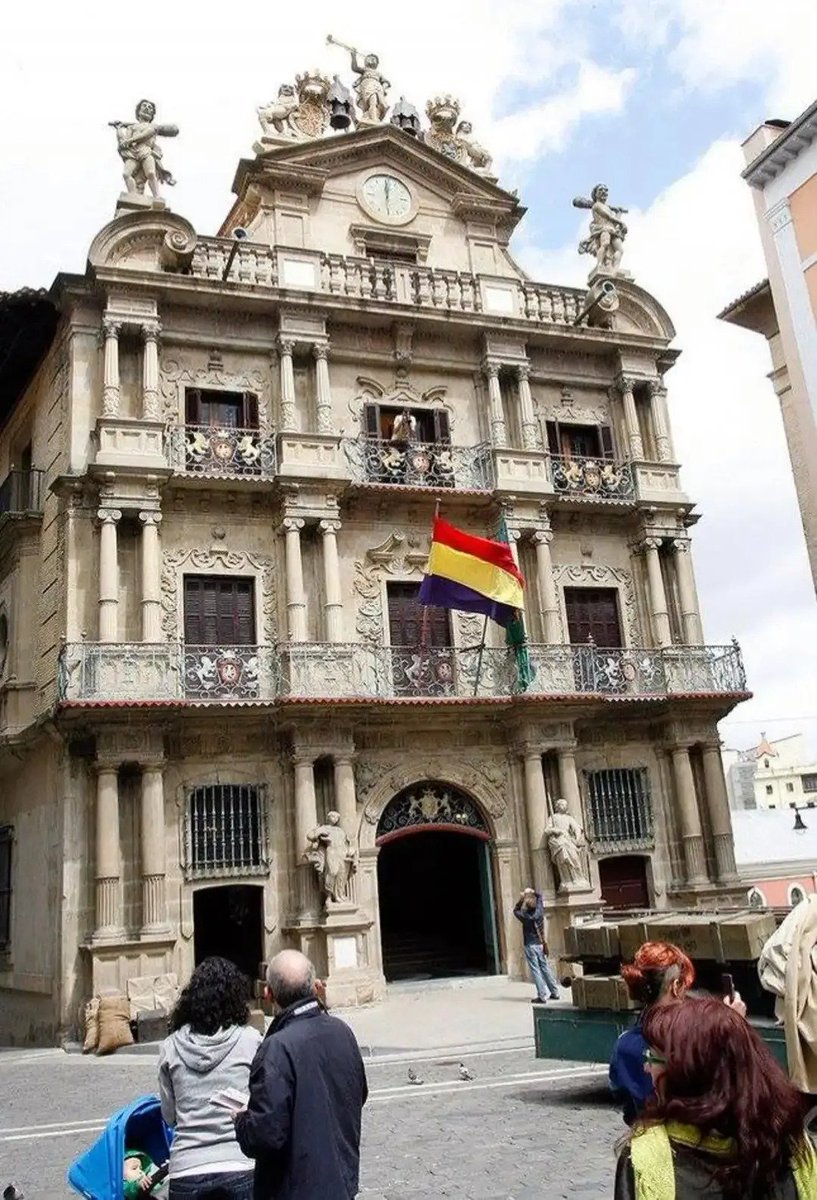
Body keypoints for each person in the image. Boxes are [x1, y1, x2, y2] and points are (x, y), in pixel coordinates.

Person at [614, 996, 817, 1199]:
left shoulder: (646, 1161)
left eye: (652, 1057)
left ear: (686, 1074)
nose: (646, 1067)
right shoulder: (796, 1151)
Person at [234, 949, 367, 1200]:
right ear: (315, 987)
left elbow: (264, 1137)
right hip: (341, 1185)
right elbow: (358, 1095)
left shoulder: (275, 1048)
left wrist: (241, 1121)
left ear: (268, 994)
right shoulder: (342, 1031)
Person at [610, 942, 747, 1126]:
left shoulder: (623, 1045)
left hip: (644, 1136)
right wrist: (735, 1025)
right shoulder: (694, 1040)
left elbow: (622, 1098)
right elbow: (733, 1086)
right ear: (675, 986)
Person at [158, 956, 262, 1199]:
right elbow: (262, 1105)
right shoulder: (252, 1041)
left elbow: (169, 1116)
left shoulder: (170, 1047)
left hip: (187, 1167)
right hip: (239, 1161)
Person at [513, 888, 560, 1004]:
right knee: (545, 968)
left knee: (536, 970)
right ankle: (555, 992)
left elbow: (516, 910)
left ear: (527, 907)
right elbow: (540, 897)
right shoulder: (539, 912)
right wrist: (532, 891)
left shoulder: (525, 916)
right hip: (540, 944)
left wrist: (522, 897)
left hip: (530, 945)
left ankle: (542, 995)